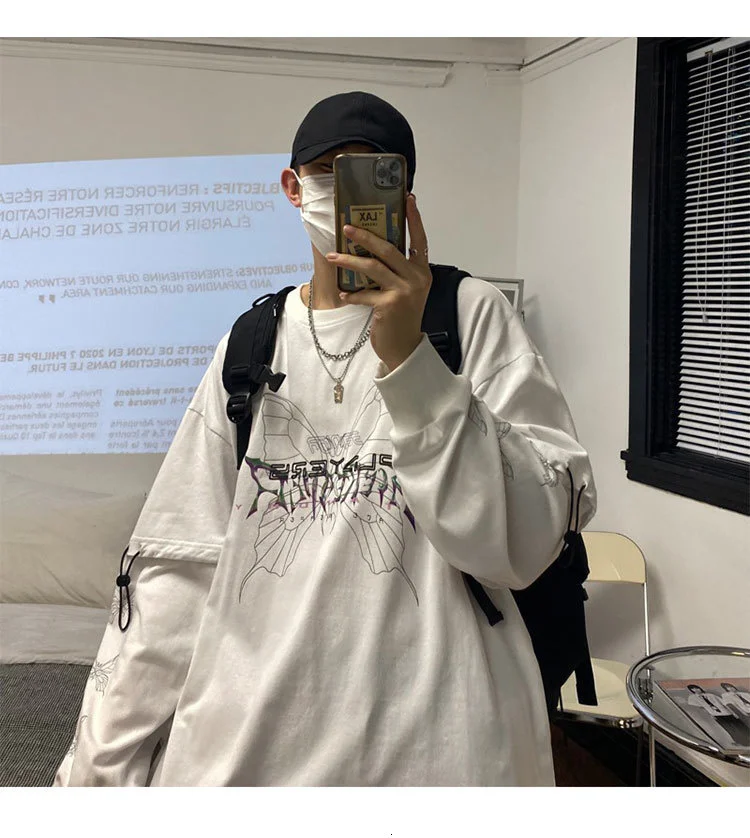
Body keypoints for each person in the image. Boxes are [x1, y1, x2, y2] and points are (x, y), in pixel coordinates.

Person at [55, 91, 597, 786]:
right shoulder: (251, 345)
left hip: (445, 748)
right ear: (293, 187)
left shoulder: (470, 315)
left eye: (376, 173)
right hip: (252, 747)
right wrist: (97, 775)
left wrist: (413, 362)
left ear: (405, 194)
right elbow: (177, 567)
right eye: (328, 172)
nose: (348, 194)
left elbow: (521, 544)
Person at [686, 684, 750, 747]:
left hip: (726, 712)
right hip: (716, 714)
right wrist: (710, 714)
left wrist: (733, 713)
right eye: (693, 689)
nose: (696, 690)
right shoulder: (693, 698)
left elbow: (724, 704)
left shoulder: (711, 695)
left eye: (697, 688)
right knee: (729, 729)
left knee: (740, 726)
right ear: (691, 690)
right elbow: (700, 708)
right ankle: (741, 742)